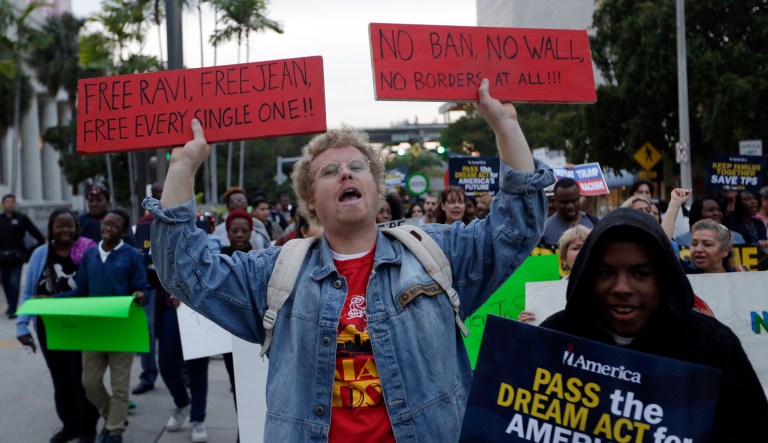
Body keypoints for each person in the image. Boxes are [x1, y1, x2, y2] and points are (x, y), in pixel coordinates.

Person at [144, 79, 554, 442]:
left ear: (375, 190)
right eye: (329, 172)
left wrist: (506, 125)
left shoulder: (435, 253)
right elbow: (185, 271)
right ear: (310, 201)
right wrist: (183, 166)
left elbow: (516, 227)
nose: (345, 174)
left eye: (357, 167)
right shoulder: (275, 273)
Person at [540, 208, 768, 441]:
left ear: (663, 278)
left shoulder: (712, 344)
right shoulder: (553, 339)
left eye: (640, 274)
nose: (622, 288)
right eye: (605, 272)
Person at [61, 209, 150, 443]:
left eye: (114, 225)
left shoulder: (132, 255)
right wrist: (51, 300)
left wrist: (141, 295)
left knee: (120, 387)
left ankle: (115, 432)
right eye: (105, 224)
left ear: (123, 231)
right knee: (89, 383)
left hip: (122, 329)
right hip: (94, 330)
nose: (107, 228)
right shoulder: (90, 255)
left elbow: (143, 287)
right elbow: (80, 291)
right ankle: (114, 416)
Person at [16, 209, 100, 443]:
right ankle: (69, 425)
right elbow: (28, 291)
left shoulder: (87, 252)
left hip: (81, 325)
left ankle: (87, 428)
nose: (65, 230)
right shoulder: (40, 254)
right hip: (49, 327)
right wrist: (22, 325)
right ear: (51, 229)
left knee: (81, 378)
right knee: (60, 378)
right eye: (60, 226)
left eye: (69, 226)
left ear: (76, 228)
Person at [517, 225, 591, 324]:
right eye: (575, 248)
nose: (581, 252)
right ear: (564, 259)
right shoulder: (547, 293)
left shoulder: (605, 288)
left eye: (586, 247)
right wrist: (524, 323)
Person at [0, 194, 45, 318]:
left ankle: (13, 308)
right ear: (3, 204)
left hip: (16, 257)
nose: (10, 204)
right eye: (7, 202)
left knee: (14, 283)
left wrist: (37, 249)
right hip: (2, 258)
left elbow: (36, 233)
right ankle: (10, 304)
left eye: (12, 202)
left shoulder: (21, 219)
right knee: (5, 283)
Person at [541, 178, 597, 247]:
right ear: (555, 200)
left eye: (574, 201)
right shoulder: (543, 231)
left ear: (579, 198)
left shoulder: (594, 223)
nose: (570, 206)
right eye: (564, 202)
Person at [675, 196, 745, 247]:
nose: (717, 213)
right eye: (710, 210)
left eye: (719, 210)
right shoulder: (682, 240)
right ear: (698, 214)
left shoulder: (736, 237)